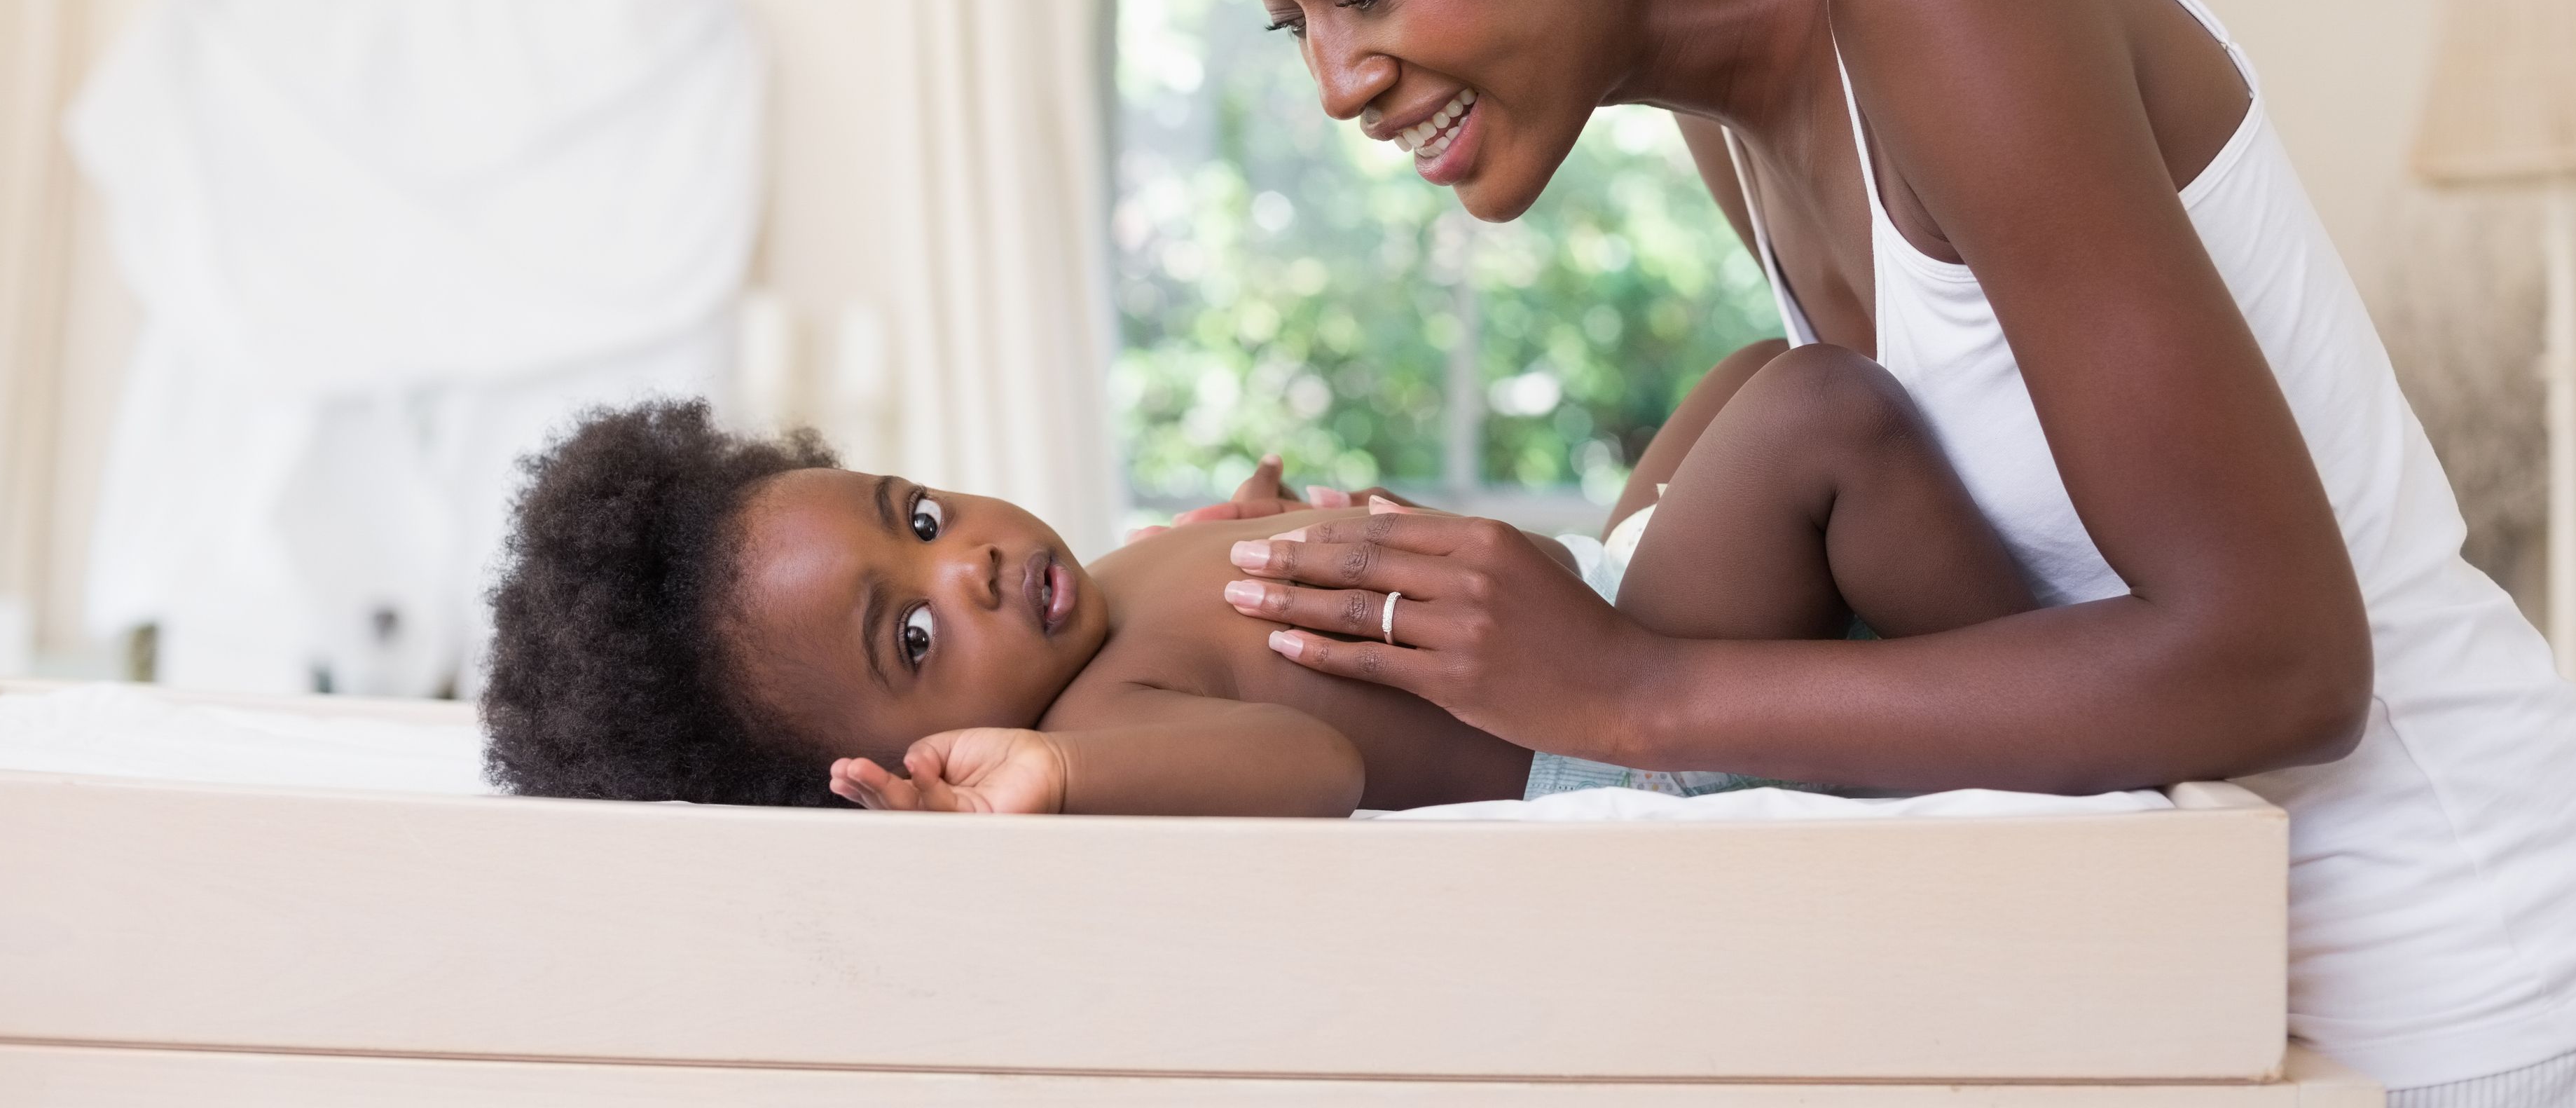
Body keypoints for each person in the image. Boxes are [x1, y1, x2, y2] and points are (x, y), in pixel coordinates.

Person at [1068, 0, 2576, 1101]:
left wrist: (1636, 685)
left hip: (2499, 986)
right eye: (1288, 16)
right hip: (2207, 990)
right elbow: (1967, 599)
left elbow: (2280, 665)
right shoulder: (1727, 118)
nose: (1334, 79)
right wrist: (1515, 610)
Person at [478, 351, 2030, 816]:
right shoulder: (1102, 710)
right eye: (910, 632)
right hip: (1618, 699)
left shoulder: (1107, 581)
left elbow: (1249, 609)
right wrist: (1060, 771)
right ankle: (2036, 676)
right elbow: (1315, 754)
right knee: (1821, 411)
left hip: (1616, 596)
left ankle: (1916, 630)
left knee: (1743, 371)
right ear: (902, 758)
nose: (971, 560)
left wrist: (1239, 531)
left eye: (921, 510)